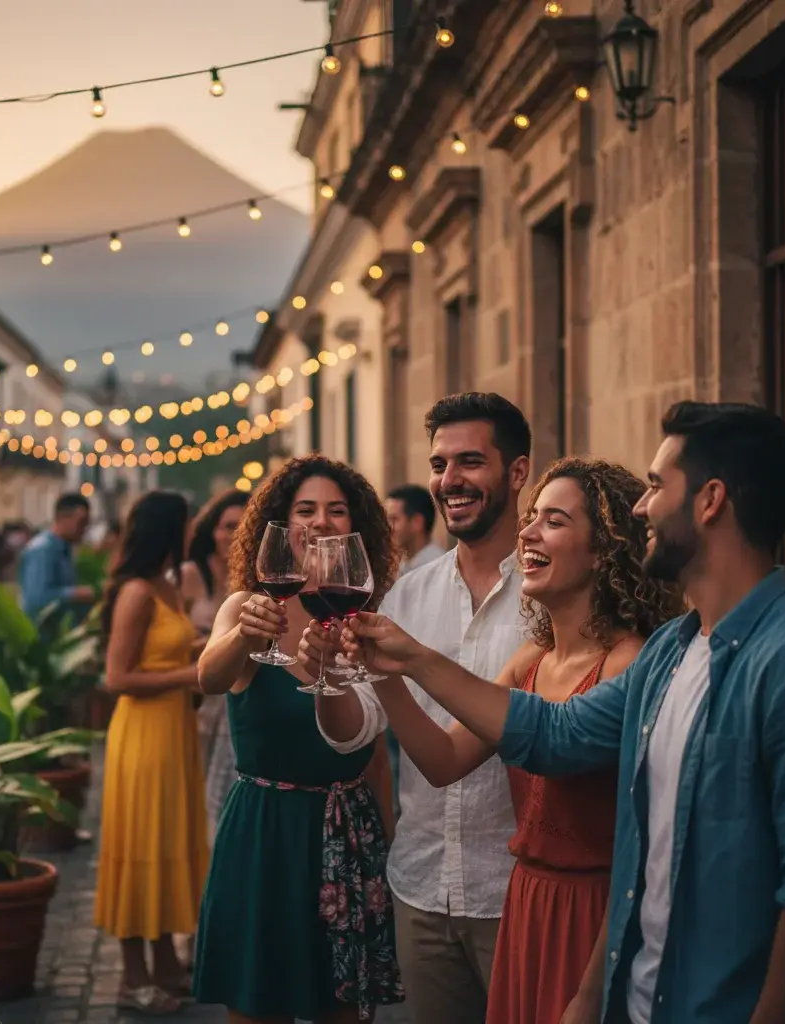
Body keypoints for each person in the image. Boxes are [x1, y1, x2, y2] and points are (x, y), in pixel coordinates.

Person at [339, 401, 785, 1024]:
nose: (641, 508)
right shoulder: (673, 649)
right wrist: (401, 663)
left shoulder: (776, 658)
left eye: (657, 486)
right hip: (631, 976)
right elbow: (558, 737)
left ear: (710, 501)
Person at [303, 457, 685, 1023]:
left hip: (593, 914)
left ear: (603, 550)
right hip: (526, 906)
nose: (528, 533)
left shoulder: (629, 662)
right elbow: (443, 761)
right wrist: (383, 672)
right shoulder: (532, 658)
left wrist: (415, 657)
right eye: (533, 518)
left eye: (554, 521)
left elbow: (636, 838)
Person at [312, 393, 530, 1024]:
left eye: (470, 462)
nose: (449, 480)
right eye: (439, 465)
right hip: (422, 889)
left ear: (517, 472)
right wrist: (328, 675)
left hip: (515, 893)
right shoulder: (407, 595)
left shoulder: (549, 594)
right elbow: (355, 732)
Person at [193, 455, 404, 1024]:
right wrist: (243, 635)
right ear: (281, 525)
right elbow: (209, 678)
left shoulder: (365, 618)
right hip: (265, 832)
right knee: (257, 1006)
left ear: (355, 527)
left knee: (344, 1011)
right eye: (305, 509)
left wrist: (390, 849)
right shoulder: (249, 607)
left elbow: (376, 757)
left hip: (347, 833)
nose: (320, 521)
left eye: (337, 510)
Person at [93, 490, 208, 1016]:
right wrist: (191, 673)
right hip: (142, 737)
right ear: (168, 529)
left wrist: (212, 645)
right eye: (186, 523)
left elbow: (168, 651)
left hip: (173, 731)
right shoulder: (137, 592)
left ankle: (164, 963)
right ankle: (132, 976)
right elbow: (117, 677)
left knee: (166, 842)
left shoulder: (167, 585)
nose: (192, 531)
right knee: (140, 845)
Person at [180, 488, 250, 839]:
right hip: (199, 701)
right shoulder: (190, 574)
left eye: (242, 526)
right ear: (212, 530)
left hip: (239, 698)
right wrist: (208, 643)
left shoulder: (257, 578)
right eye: (227, 526)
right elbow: (170, 637)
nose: (233, 535)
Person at [18, 493, 94, 622]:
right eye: (81, 522)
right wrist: (76, 594)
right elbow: (37, 599)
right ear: (62, 518)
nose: (84, 528)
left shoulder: (64, 549)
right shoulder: (42, 550)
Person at [386, 484, 445, 576]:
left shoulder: (438, 570)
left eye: (394, 519)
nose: (388, 527)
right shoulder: (403, 565)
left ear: (417, 522)